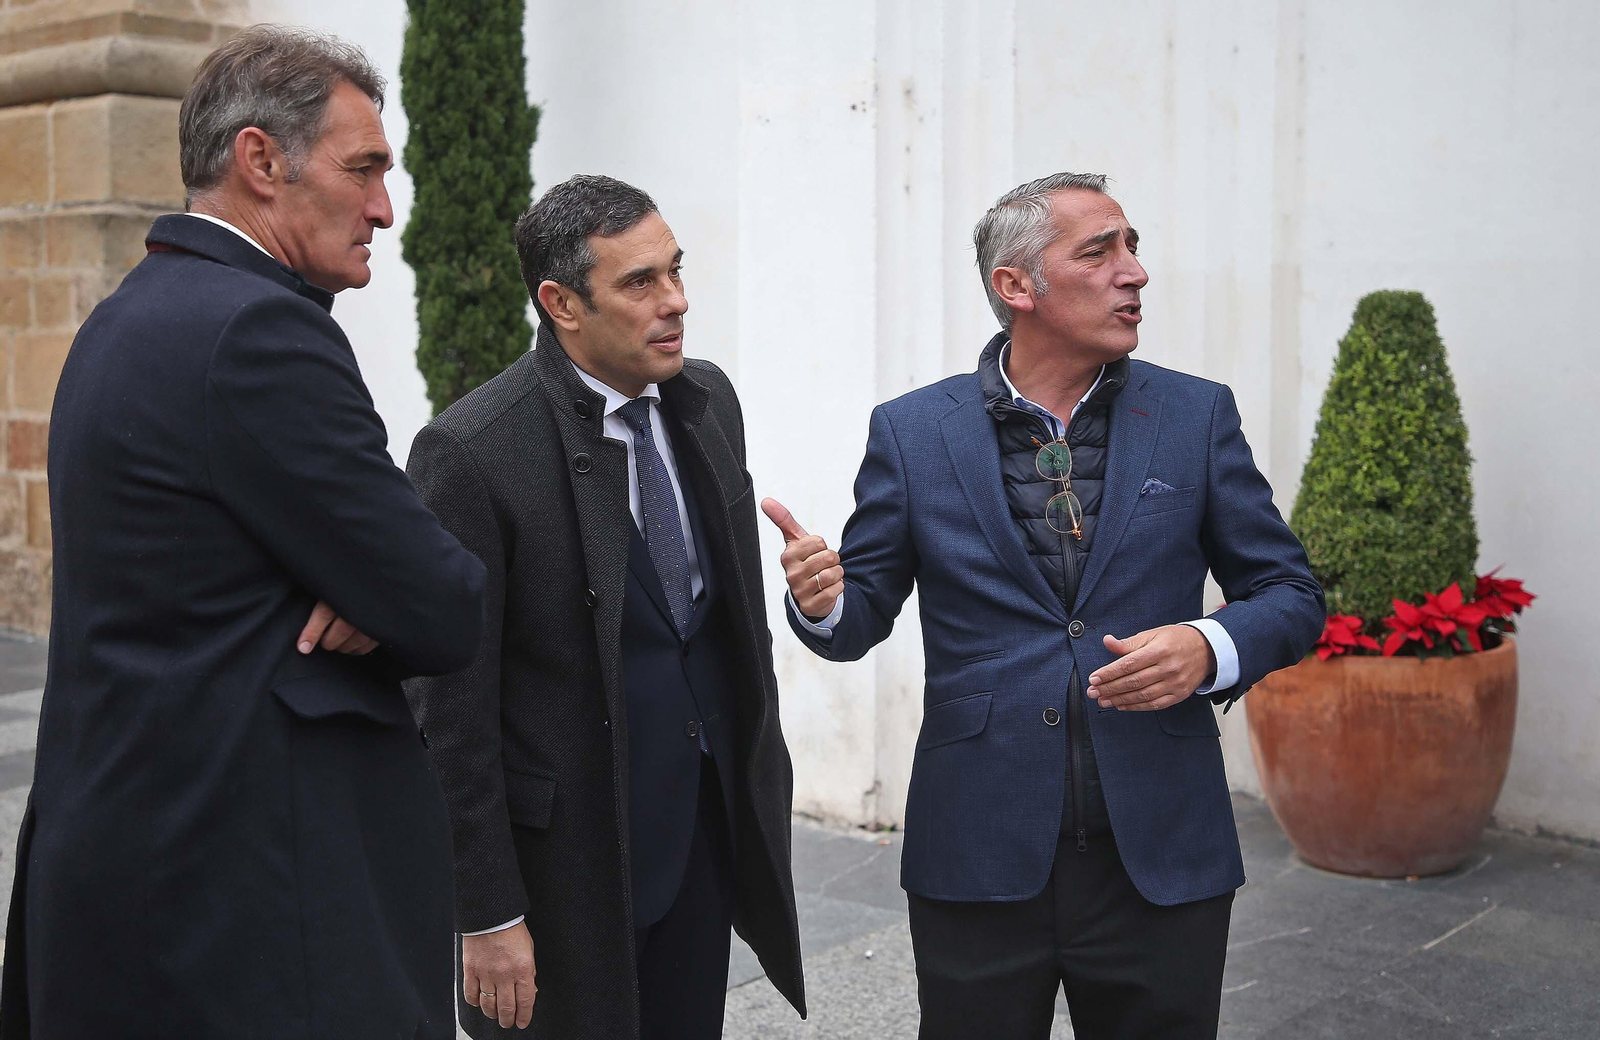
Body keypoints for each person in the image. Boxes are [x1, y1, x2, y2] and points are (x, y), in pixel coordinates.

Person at [0, 26, 487, 1040]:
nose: (385, 210)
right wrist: (377, 584)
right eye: (363, 170)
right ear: (260, 160)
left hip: (138, 888)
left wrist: (370, 580)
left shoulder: (130, 313)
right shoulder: (259, 331)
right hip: (251, 917)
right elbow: (442, 602)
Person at [764, 171, 1324, 1040]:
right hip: (978, 846)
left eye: (1133, 248)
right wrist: (823, 601)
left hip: (1161, 850)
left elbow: (1290, 593)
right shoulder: (913, 432)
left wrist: (1209, 644)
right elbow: (858, 618)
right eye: (1099, 252)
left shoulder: (1194, 415)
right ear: (1016, 286)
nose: (1134, 272)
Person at [404, 174, 805, 1039]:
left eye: (675, 271)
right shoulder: (472, 453)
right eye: (639, 283)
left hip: (700, 836)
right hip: (566, 871)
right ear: (561, 304)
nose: (675, 302)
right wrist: (485, 912)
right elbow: (449, 713)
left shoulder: (708, 400)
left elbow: (709, 619)